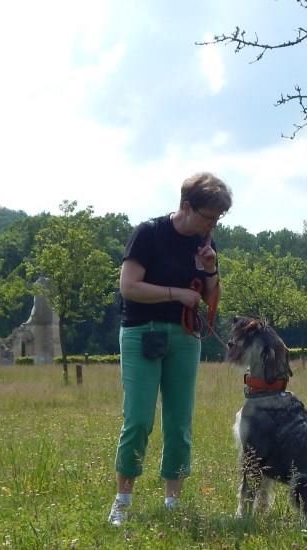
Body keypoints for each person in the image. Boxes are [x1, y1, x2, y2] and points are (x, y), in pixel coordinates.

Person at [108, 172, 231, 526]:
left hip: (185, 337)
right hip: (141, 333)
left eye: (218, 218)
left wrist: (211, 269)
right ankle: (122, 502)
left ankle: (172, 505)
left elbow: (211, 299)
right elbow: (129, 287)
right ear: (187, 207)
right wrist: (177, 294)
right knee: (138, 419)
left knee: (179, 423)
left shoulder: (204, 242)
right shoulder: (148, 234)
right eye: (208, 216)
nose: (212, 224)